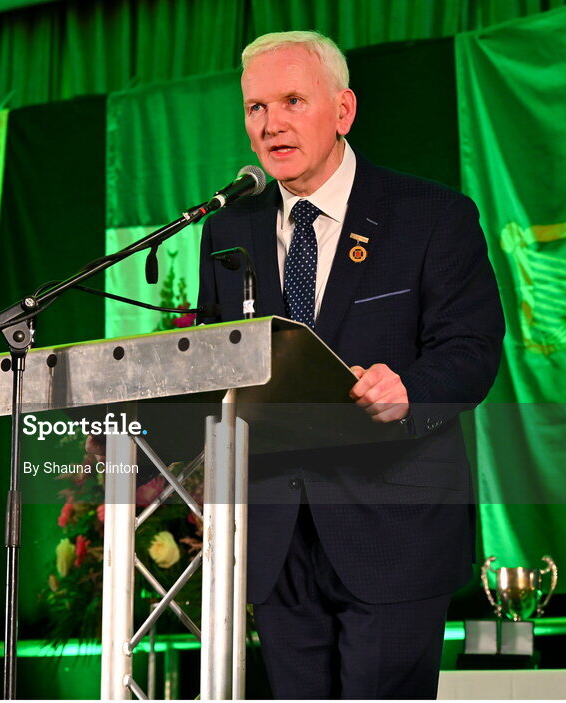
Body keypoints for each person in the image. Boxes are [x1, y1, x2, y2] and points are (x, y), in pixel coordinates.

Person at [196, 31, 504, 699]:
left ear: (343, 110)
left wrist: (411, 389)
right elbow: (216, 362)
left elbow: (473, 348)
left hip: (395, 528)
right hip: (275, 538)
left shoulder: (432, 216)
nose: (270, 123)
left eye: (291, 100)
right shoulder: (227, 229)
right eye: (254, 108)